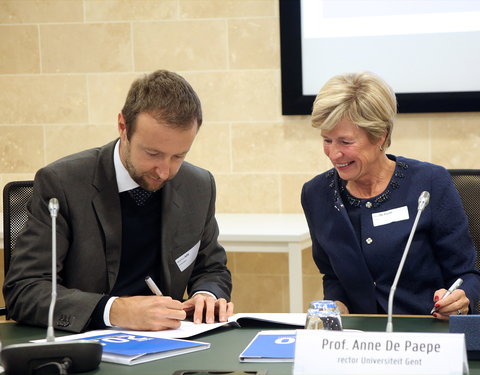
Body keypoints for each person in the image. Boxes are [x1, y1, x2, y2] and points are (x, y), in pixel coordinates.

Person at [4, 70, 233, 333]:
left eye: (178, 156)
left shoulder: (198, 185)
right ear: (123, 127)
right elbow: (25, 290)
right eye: (152, 153)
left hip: (167, 343)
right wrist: (113, 310)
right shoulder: (62, 182)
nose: (164, 171)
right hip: (86, 344)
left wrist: (208, 294)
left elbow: (212, 268)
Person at [301, 71, 480, 319]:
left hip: (425, 335)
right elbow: (332, 275)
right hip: (358, 340)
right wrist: (337, 305)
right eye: (327, 140)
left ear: (380, 137)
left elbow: (466, 274)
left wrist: (460, 300)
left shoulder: (429, 184)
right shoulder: (316, 194)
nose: (334, 153)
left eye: (345, 142)